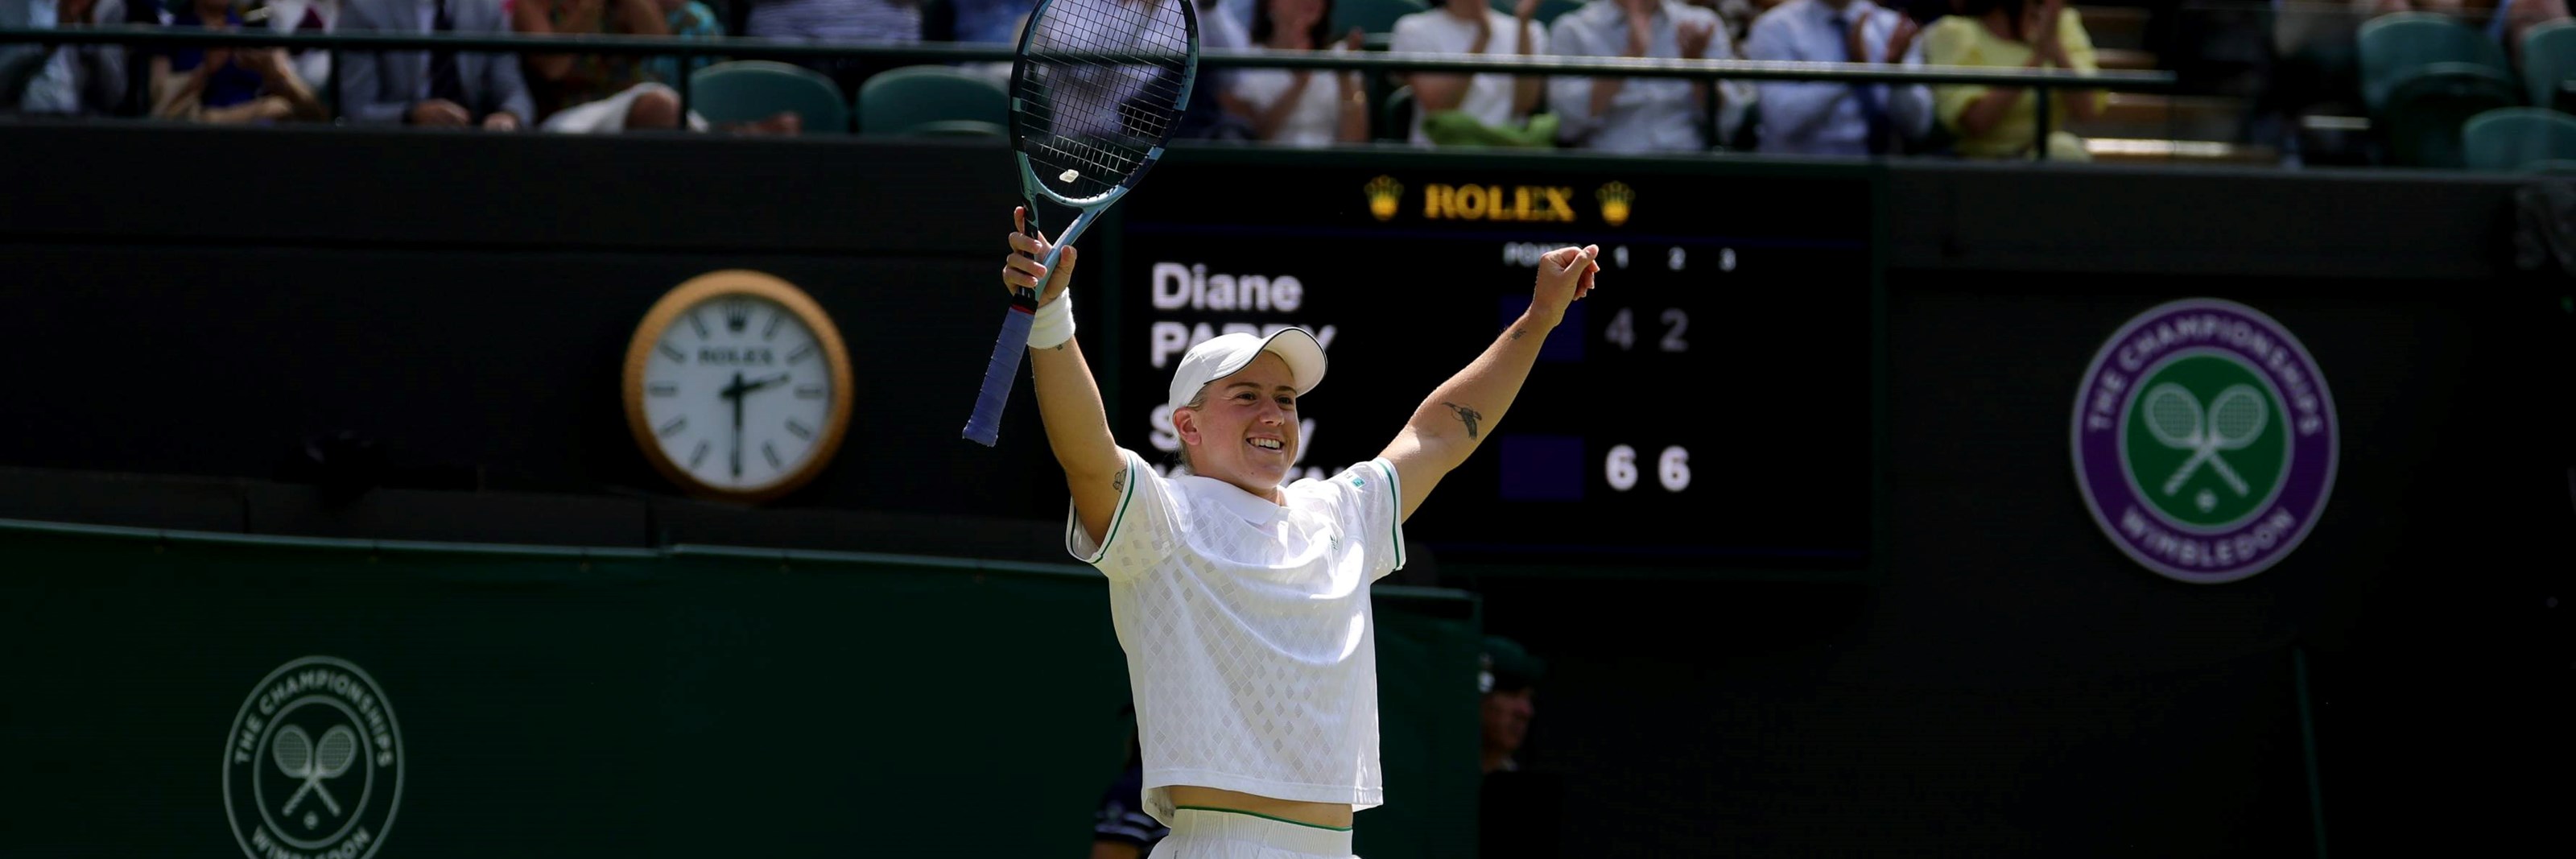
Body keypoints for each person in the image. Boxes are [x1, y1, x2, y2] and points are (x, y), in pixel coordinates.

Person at [996, 206, 1600, 858]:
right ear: (1188, 425)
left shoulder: (1341, 513)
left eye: (1285, 398)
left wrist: (1540, 318)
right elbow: (1088, 452)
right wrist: (1051, 314)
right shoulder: (1160, 514)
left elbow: (1440, 433)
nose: (1273, 414)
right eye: (1246, 395)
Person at [1740, 0, 1935, 155]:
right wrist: (1850, 73)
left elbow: (1918, 127)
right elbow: (1783, 121)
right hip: (1803, 172)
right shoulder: (1775, 27)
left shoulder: (1894, 27)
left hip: (1883, 173)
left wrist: (1896, 74)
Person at [1920, 0, 2104, 160]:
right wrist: (2038, 57)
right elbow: (1976, 123)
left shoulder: (2061, 24)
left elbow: (2086, 111)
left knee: (2064, 151)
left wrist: (2055, 48)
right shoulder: (1953, 31)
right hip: (1979, 166)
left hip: (2044, 159)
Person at [338, 0, 538, 130]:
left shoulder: (486, 7)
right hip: (397, 144)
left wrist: (509, 115)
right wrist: (411, 115)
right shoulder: (364, 9)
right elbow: (356, 111)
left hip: (473, 140)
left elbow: (515, 91)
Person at [1389, 0, 1554, 147]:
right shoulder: (1413, 29)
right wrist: (1483, 36)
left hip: (1506, 153)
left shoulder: (1530, 29)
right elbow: (1439, 108)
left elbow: (1524, 104)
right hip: (1440, 154)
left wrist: (1523, 22)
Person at [1227, 0, 1369, 147]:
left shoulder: (1343, 54)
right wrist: (1300, 83)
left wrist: (1344, 77)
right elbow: (1253, 138)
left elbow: (1355, 141)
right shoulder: (1246, 56)